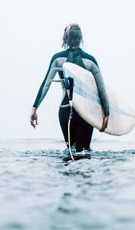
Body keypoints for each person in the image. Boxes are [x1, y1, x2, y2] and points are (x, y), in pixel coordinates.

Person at [30, 24, 110, 154]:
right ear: (80, 38)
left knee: (70, 151)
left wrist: (34, 108)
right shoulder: (90, 61)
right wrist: (106, 113)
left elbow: (46, 84)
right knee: (84, 152)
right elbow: (102, 90)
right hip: (86, 112)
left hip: (66, 109)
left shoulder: (58, 59)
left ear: (65, 39)